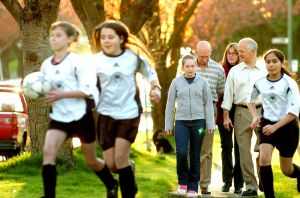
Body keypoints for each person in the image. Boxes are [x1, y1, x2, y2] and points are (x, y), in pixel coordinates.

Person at [41, 21, 117, 198]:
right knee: (48, 151)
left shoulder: (79, 62)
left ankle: (111, 183)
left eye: (58, 35)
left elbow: (87, 91)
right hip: (59, 117)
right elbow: (45, 86)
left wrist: (61, 95)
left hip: (81, 117)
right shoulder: (46, 65)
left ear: (70, 39)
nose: (54, 39)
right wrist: (43, 94)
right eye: (52, 35)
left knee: (90, 160)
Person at [92, 20, 161, 198]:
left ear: (121, 38)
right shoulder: (96, 61)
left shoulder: (133, 58)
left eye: (110, 37)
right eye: (103, 38)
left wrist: (156, 89)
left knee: (120, 158)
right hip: (105, 114)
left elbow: (151, 74)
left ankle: (128, 193)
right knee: (111, 164)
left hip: (129, 112)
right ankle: (128, 169)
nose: (106, 41)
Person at [247, 49, 300, 198]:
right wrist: (255, 116)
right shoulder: (260, 82)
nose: (271, 65)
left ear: (281, 63)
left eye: (274, 61)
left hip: (287, 127)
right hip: (267, 124)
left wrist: (275, 127)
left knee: (287, 170)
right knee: (263, 159)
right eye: (268, 62)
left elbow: (293, 113)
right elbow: (250, 101)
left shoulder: (290, 83)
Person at [222, 37, 267, 196]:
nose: (239, 53)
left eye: (242, 51)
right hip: (241, 112)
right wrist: (226, 117)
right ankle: (251, 186)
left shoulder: (265, 69)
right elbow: (228, 95)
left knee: (264, 148)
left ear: (252, 51)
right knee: (243, 151)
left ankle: (262, 174)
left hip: (262, 112)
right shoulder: (235, 71)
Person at [165, 54, 215, 197]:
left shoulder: (203, 82)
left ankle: (193, 186)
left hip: (199, 122)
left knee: (195, 154)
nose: (190, 68)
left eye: (192, 66)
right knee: (181, 152)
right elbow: (169, 105)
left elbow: (208, 105)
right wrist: (168, 124)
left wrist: (210, 123)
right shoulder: (176, 82)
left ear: (196, 67)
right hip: (181, 122)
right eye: (187, 66)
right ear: (183, 67)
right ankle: (182, 182)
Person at [195, 40, 226, 194]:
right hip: (190, 111)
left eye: (207, 56)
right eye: (201, 57)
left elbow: (221, 92)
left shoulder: (218, 69)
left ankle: (204, 184)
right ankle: (190, 183)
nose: (204, 59)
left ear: (211, 52)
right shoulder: (188, 66)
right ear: (195, 53)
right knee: (190, 149)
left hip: (209, 110)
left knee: (206, 150)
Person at [216, 43, 243, 194]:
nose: (232, 56)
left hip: (239, 112)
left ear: (239, 55)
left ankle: (239, 182)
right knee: (226, 146)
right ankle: (227, 180)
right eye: (229, 53)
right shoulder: (221, 69)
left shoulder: (242, 70)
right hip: (223, 113)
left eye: (235, 53)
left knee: (239, 148)